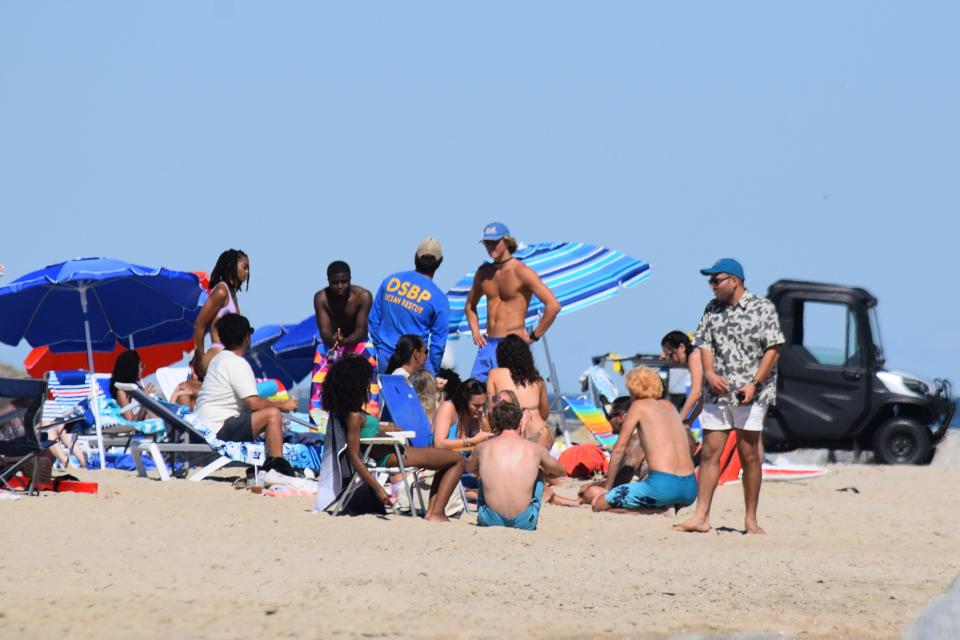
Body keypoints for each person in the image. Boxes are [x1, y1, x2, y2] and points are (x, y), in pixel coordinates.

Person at [674, 258, 784, 535]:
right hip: (717, 392)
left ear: (735, 280)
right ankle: (701, 517)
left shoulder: (762, 308)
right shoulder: (712, 309)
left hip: (751, 393)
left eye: (716, 280)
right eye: (710, 281)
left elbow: (773, 349)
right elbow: (704, 343)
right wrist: (709, 373)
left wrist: (754, 384)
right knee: (711, 452)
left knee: (749, 455)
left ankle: (750, 519)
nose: (712, 286)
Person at [320, 355, 465, 521]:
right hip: (392, 456)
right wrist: (378, 489)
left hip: (395, 451)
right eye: (365, 381)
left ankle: (433, 511)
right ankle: (437, 513)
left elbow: (367, 434)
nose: (368, 386)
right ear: (355, 383)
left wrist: (387, 429)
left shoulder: (353, 412)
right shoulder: (354, 416)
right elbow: (354, 456)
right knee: (458, 460)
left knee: (447, 461)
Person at [194, 313, 299, 476]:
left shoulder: (219, 359)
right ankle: (276, 467)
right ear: (246, 337)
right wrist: (284, 405)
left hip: (203, 427)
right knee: (273, 415)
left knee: (268, 414)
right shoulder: (238, 363)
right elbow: (253, 403)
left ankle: (271, 463)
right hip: (218, 427)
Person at [591, 367, 696, 514]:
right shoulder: (670, 406)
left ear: (634, 389)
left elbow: (619, 449)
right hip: (690, 488)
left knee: (598, 504)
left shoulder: (638, 406)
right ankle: (666, 506)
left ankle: (658, 511)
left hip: (663, 487)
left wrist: (608, 489)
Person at [464, 222, 561, 382]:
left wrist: (533, 337)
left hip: (512, 346)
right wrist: (475, 333)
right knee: (474, 394)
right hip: (487, 346)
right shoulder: (483, 273)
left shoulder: (522, 272)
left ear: (507, 242)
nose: (490, 246)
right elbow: (469, 306)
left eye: (495, 242)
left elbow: (553, 306)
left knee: (508, 397)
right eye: (487, 242)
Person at [464, 402, 566, 530]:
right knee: (538, 472)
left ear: (494, 424)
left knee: (481, 475)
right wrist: (541, 471)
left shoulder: (483, 448)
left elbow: (468, 468)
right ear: (519, 422)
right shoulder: (535, 449)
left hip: (489, 520)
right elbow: (561, 471)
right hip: (525, 522)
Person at [308, 261, 378, 425]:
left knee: (367, 350)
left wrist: (344, 342)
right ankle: (319, 418)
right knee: (321, 351)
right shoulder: (321, 298)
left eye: (344, 282)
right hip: (331, 344)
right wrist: (334, 341)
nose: (340, 286)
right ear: (328, 281)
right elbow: (324, 330)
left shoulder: (363, 296)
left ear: (350, 279)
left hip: (357, 345)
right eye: (335, 282)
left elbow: (361, 330)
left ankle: (368, 414)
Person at [368, 238, 450, 374]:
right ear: (439, 263)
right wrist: (431, 373)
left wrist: (382, 348)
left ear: (415, 258)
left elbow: (373, 320)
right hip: (415, 364)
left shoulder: (391, 281)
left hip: (385, 358)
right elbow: (438, 345)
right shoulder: (439, 299)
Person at [550, 395, 648, 508]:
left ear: (621, 417)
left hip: (652, 492)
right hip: (651, 487)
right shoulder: (640, 436)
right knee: (588, 489)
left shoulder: (636, 441)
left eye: (609, 416)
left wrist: (593, 488)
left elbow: (619, 484)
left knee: (590, 492)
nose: (608, 421)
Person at [485, 335, 553, 449]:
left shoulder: (495, 374)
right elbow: (544, 415)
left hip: (511, 436)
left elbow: (492, 411)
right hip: (541, 434)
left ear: (501, 355)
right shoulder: (538, 380)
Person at [192, 249, 249, 379]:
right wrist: (201, 359)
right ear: (230, 265)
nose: (247, 272)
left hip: (228, 358)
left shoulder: (232, 295)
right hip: (217, 355)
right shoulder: (221, 291)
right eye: (244, 267)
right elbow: (199, 325)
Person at [661, 330, 705, 456]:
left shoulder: (694, 356)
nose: (670, 360)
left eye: (671, 355)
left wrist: (679, 420)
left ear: (681, 347)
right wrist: (690, 420)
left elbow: (695, 393)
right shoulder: (697, 356)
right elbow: (704, 397)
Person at [432, 378, 493, 450]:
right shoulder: (448, 407)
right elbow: (439, 443)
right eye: (476, 405)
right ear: (463, 402)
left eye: (483, 405)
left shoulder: (475, 416)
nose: (481, 409)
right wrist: (472, 441)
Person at [109, 350, 158, 422]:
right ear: (132, 368)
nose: (144, 367)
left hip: (158, 420)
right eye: (141, 365)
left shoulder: (138, 388)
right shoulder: (122, 392)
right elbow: (132, 422)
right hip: (148, 426)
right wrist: (145, 400)